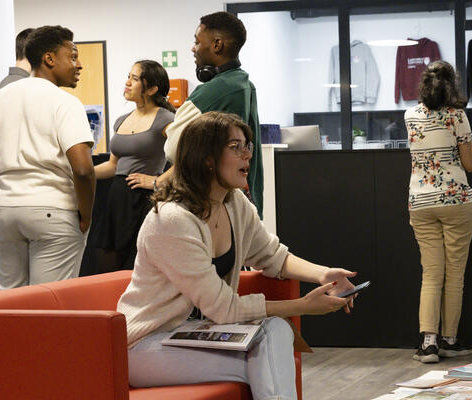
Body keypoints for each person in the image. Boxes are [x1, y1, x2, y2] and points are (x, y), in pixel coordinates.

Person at [118, 111, 357, 400]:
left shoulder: (234, 203)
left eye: (248, 146)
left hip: (196, 333)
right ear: (206, 158)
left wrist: (323, 274)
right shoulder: (172, 220)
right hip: (146, 345)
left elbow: (271, 255)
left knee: (275, 333)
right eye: (236, 147)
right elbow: (224, 309)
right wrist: (303, 305)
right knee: (265, 352)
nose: (247, 155)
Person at [0, 25, 95, 289]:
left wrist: (0, 202)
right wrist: (86, 214)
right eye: (72, 56)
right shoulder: (66, 103)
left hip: (5, 212)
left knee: (11, 302)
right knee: (50, 304)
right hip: (54, 211)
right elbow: (83, 170)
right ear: (49, 59)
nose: (78, 64)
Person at [404, 61, 472, 363]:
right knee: (455, 275)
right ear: (452, 86)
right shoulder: (457, 116)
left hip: (420, 202)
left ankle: (429, 343)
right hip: (456, 200)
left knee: (432, 274)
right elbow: (470, 164)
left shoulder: (410, 115)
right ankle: (450, 340)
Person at [161, 12, 263, 216]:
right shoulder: (243, 84)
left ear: (217, 44)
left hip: (210, 202)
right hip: (238, 201)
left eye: (197, 42)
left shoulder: (215, 90)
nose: (193, 48)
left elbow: (173, 149)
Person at [85, 60, 176, 274]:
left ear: (152, 88)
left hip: (144, 200)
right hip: (117, 200)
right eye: (128, 77)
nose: (127, 83)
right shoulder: (121, 120)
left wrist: (157, 180)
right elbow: (112, 165)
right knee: (107, 268)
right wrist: (81, 174)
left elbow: (187, 160)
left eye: (134, 79)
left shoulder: (167, 120)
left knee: (138, 268)